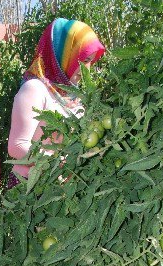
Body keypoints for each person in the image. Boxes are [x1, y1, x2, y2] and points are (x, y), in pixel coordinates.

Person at [7, 18, 106, 188]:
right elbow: (17, 146)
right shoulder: (35, 89)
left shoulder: (75, 95)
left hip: (60, 193)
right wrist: (57, 162)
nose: (86, 69)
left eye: (90, 61)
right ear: (64, 53)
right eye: (82, 60)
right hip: (29, 191)